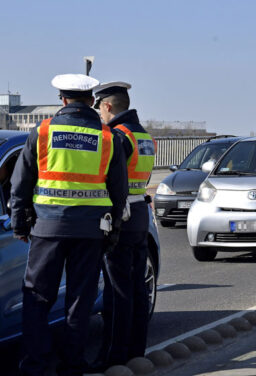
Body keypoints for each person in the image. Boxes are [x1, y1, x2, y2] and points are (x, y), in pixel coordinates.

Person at [11, 74, 128, 376]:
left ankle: (36, 364)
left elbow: (21, 181)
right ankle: (73, 364)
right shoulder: (107, 137)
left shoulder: (43, 131)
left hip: (47, 229)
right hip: (90, 231)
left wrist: (20, 222)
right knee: (80, 298)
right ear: (92, 101)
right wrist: (113, 230)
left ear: (62, 100)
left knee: (36, 297)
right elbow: (119, 192)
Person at [91, 81, 156, 370]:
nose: (100, 115)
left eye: (100, 109)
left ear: (107, 106)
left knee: (117, 293)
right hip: (140, 214)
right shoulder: (144, 136)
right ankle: (136, 351)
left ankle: (113, 356)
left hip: (122, 217)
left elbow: (110, 179)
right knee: (137, 288)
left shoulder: (118, 136)